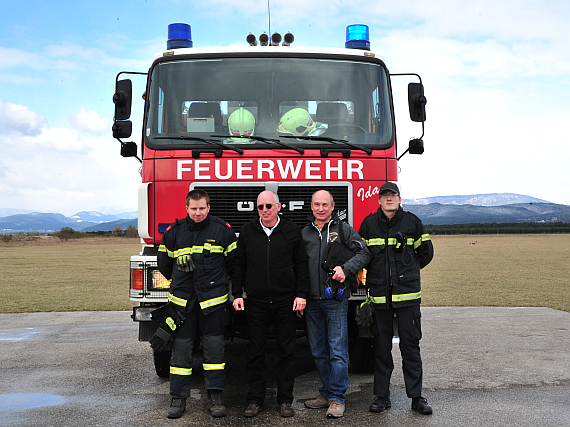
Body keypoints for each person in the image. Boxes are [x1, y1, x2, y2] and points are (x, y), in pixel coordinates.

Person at [153, 189, 237, 419]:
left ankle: (216, 397)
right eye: (193, 208)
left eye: (202, 208)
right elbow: (164, 265)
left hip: (213, 303)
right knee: (181, 353)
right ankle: (178, 399)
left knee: (214, 351)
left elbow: (233, 264)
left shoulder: (223, 231)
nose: (198, 213)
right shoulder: (174, 233)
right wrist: (179, 275)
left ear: (208, 207)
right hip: (183, 305)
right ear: (186, 208)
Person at [358, 182, 434, 415]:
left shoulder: (412, 222)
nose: (389, 199)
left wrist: (407, 272)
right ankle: (382, 396)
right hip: (380, 298)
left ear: (400, 199)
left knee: (410, 347)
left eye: (393, 195)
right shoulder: (369, 224)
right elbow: (361, 255)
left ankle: (416, 397)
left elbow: (426, 254)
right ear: (379, 200)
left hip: (408, 297)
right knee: (381, 349)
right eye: (385, 195)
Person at [232, 190, 309, 418]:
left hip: (286, 301)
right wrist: (237, 293)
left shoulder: (292, 231)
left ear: (279, 206)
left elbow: (302, 265)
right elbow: (239, 265)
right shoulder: (248, 231)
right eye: (260, 207)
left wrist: (301, 294)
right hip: (256, 302)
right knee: (255, 352)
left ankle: (285, 401)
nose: (264, 211)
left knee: (287, 352)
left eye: (268, 206)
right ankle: (255, 400)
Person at [301, 190, 371, 418]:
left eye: (325, 205)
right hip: (311, 301)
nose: (321, 209)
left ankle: (337, 398)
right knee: (318, 351)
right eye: (317, 205)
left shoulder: (343, 230)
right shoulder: (304, 233)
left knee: (337, 352)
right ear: (311, 207)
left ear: (333, 207)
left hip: (335, 300)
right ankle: (326, 392)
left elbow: (364, 254)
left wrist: (346, 268)